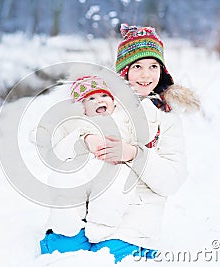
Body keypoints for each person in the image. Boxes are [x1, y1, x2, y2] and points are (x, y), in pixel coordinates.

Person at [81, 24, 201, 262]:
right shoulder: (103, 102)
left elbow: (172, 179)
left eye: (153, 66)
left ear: (162, 70)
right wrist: (86, 138)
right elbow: (56, 134)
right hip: (92, 209)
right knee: (58, 249)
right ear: (124, 70)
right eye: (137, 66)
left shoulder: (166, 116)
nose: (146, 75)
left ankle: (142, 251)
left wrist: (134, 154)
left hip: (137, 214)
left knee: (102, 258)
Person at [39, 75, 158, 263]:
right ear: (82, 108)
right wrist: (83, 137)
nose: (99, 100)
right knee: (64, 181)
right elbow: (59, 149)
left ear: (114, 101)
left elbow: (141, 136)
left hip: (115, 166)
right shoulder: (77, 122)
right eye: (91, 98)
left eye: (104, 96)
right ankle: (67, 223)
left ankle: (101, 227)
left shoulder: (124, 118)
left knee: (115, 189)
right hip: (84, 166)